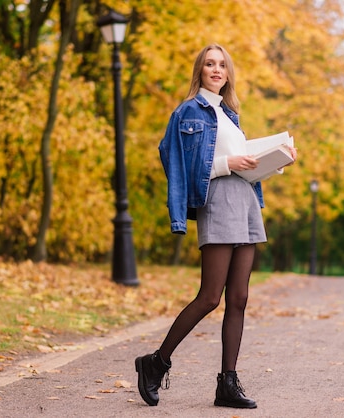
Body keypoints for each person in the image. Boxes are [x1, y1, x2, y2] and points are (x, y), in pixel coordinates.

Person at [135, 43, 296, 409]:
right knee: (210, 296)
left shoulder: (230, 115)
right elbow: (176, 160)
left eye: (222, 64)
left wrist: (279, 160)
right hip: (219, 201)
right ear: (200, 70)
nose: (216, 69)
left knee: (239, 298)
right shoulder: (188, 112)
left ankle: (227, 383)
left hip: (246, 203)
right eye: (210, 63)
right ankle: (155, 363)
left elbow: (247, 165)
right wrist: (227, 162)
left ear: (228, 73)